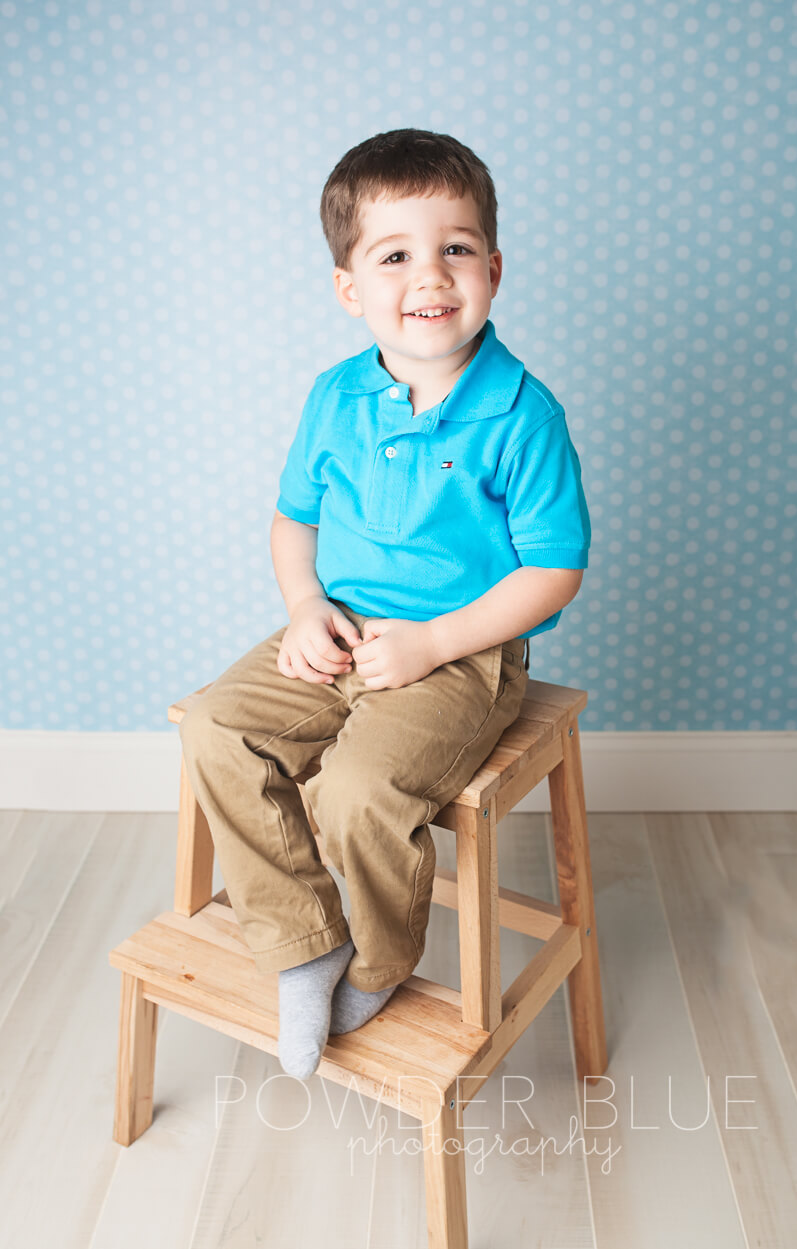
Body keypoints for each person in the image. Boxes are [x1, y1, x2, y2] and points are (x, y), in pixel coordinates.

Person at [179, 128, 591, 1080]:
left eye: (454, 249)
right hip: (343, 626)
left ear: (491, 267)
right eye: (395, 254)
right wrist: (303, 603)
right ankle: (304, 942)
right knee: (214, 727)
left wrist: (435, 642)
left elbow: (553, 572)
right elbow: (293, 522)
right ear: (350, 287)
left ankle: (378, 956)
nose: (429, 275)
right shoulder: (335, 396)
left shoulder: (523, 413)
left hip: (464, 651)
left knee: (361, 787)